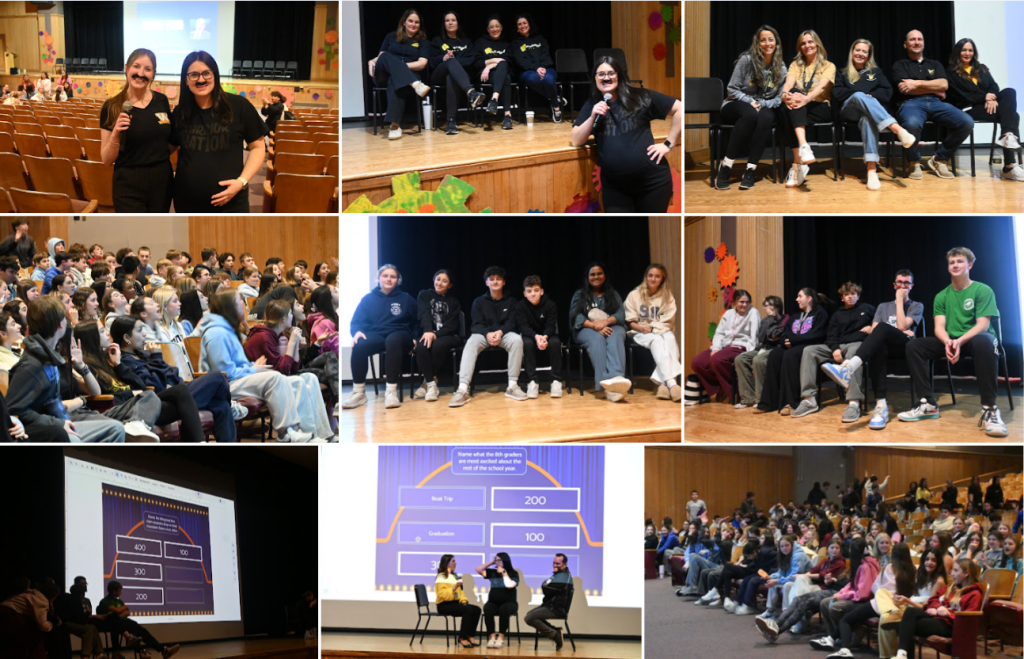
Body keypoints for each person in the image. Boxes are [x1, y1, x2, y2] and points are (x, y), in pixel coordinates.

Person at [896, 247, 1007, 436]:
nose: (955, 265)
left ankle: (990, 409)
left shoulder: (982, 290)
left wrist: (959, 341)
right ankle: (927, 404)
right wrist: (948, 342)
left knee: (985, 342)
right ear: (948, 267)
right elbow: (939, 327)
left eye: (960, 261)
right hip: (952, 340)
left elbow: (982, 324)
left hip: (975, 339)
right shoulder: (941, 295)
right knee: (914, 345)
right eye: (952, 262)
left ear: (969, 265)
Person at [197, 288, 315, 442]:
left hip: (237, 380)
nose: (243, 304)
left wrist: (252, 366)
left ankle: (310, 433)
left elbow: (237, 366)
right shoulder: (216, 333)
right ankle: (285, 433)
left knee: (297, 380)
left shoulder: (228, 330)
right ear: (229, 307)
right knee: (274, 377)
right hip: (223, 387)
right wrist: (253, 369)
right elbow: (223, 373)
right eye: (239, 300)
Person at [5, 296, 126, 442]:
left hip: (57, 422)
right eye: (64, 318)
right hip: (44, 430)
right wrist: (59, 423)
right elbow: (13, 410)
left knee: (115, 427)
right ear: (60, 325)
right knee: (109, 430)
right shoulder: (32, 365)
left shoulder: (47, 356)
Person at [571, 56, 680, 211]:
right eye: (601, 74)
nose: (606, 77)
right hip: (615, 189)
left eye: (611, 73)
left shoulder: (640, 97)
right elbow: (576, 140)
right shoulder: (591, 105)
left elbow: (680, 109)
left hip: (653, 184)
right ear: (595, 78)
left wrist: (668, 144)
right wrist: (592, 116)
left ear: (619, 75)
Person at [821, 270, 925, 430]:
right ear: (894, 284)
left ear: (911, 286)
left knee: (883, 329)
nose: (902, 286)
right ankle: (881, 406)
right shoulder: (883, 307)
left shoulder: (916, 305)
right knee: (878, 345)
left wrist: (899, 301)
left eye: (906, 283)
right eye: (899, 282)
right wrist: (897, 329)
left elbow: (903, 326)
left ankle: (849, 367)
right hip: (885, 346)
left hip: (906, 346)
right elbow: (876, 333)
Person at [112, 315, 239, 443]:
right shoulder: (126, 362)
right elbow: (156, 387)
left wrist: (161, 367)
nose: (145, 334)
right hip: (156, 404)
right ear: (126, 338)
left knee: (221, 405)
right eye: (139, 330)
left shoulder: (143, 355)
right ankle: (230, 405)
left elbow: (173, 373)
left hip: (177, 396)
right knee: (216, 377)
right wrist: (157, 358)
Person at [171, 51, 268, 212]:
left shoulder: (239, 106)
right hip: (187, 202)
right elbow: (167, 147)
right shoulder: (180, 112)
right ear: (186, 79)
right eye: (194, 74)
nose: (201, 79)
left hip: (231, 203)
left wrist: (241, 182)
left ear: (215, 75)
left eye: (206, 73)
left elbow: (258, 148)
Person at [831, 39, 917, 190]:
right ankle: (898, 130)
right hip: (849, 110)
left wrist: (871, 97)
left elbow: (887, 91)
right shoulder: (842, 73)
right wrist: (863, 95)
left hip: (868, 112)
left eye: (865, 51)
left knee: (867, 118)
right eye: (858, 50)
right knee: (858, 96)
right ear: (852, 52)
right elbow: (837, 93)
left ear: (869, 55)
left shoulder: (875, 72)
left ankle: (871, 170)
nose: (860, 54)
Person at [243, 299, 333, 439]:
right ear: (284, 318)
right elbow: (283, 371)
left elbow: (294, 367)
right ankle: (309, 435)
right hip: (259, 382)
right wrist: (292, 343)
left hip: (273, 378)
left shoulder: (279, 334)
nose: (292, 316)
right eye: (290, 313)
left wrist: (295, 345)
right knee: (299, 381)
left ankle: (324, 434)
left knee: (311, 377)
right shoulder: (263, 336)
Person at [891, 30, 974, 180]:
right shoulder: (900, 65)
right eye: (912, 40)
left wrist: (916, 83)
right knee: (911, 124)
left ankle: (939, 159)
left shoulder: (934, 64)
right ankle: (914, 161)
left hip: (936, 103)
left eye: (919, 39)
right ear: (905, 44)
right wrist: (933, 87)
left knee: (966, 122)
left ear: (923, 42)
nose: (917, 42)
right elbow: (905, 89)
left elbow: (944, 85)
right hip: (911, 103)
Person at [99, 48, 174, 212]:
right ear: (126, 68)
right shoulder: (111, 107)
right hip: (128, 184)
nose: (141, 73)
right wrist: (115, 135)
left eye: (148, 69)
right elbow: (106, 160)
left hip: (161, 181)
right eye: (136, 66)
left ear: (153, 75)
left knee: (157, 232)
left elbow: (169, 141)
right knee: (134, 233)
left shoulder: (161, 100)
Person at [715, 25, 787, 190]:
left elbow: (779, 98)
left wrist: (761, 104)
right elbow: (732, 89)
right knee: (750, 114)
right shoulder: (746, 60)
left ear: (776, 43)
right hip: (735, 104)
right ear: (757, 42)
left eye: (771, 39)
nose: (767, 43)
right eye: (763, 40)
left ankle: (750, 170)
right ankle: (726, 167)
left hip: (762, 106)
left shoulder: (781, 68)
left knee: (766, 117)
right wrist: (750, 102)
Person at [793, 282, 875, 419]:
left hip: (856, 345)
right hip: (839, 345)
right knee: (809, 350)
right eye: (846, 295)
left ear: (858, 296)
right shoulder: (837, 315)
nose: (850, 297)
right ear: (842, 298)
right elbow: (831, 336)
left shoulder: (867, 309)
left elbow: (881, 323)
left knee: (854, 349)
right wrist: (835, 348)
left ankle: (854, 402)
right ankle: (809, 400)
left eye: (853, 294)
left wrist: (872, 327)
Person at [944, 38, 1022, 182]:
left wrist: (991, 97)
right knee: (1014, 116)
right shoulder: (950, 72)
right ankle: (1009, 167)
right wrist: (985, 97)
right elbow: (963, 94)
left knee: (1010, 92)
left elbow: (993, 86)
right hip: (969, 108)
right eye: (964, 50)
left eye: (970, 50)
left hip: (987, 104)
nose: (967, 53)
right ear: (958, 52)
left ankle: (1007, 136)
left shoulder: (981, 68)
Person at [449, 266, 526, 407]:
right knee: (471, 342)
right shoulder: (479, 302)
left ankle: (512, 386)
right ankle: (462, 389)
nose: (495, 282)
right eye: (492, 279)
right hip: (484, 335)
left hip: (504, 334)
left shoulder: (512, 302)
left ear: (504, 282)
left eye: (498, 279)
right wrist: (488, 333)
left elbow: (512, 323)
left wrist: (500, 332)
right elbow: (476, 324)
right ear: (486, 282)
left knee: (517, 340)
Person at [342, 264, 415, 410]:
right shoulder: (368, 299)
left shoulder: (406, 299)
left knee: (393, 340)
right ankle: (359, 392)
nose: (389, 279)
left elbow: (419, 320)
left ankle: (391, 391)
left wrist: (415, 337)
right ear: (378, 278)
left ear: (398, 280)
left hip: (400, 334)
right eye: (385, 276)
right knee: (359, 345)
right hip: (378, 335)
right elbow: (357, 321)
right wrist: (357, 331)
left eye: (393, 276)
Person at [756, 538, 849, 642]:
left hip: (830, 590)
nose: (834, 550)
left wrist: (804, 575)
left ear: (840, 550)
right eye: (832, 547)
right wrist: (804, 575)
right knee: (797, 599)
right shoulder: (825, 561)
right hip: (821, 587)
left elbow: (823, 575)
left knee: (803, 601)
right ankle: (776, 626)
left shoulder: (840, 563)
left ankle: (777, 627)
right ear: (828, 549)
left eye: (837, 548)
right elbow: (813, 570)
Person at [891, 559, 983, 659]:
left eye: (956, 571)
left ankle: (903, 655)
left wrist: (947, 613)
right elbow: (933, 599)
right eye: (952, 570)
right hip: (937, 618)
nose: (952, 573)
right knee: (910, 612)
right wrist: (938, 607)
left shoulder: (974, 594)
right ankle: (902, 655)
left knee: (904, 624)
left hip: (949, 625)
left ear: (966, 573)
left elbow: (968, 620)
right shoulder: (951, 587)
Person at [779, 31, 836, 187]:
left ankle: (798, 162)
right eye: (803, 43)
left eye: (810, 42)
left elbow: (821, 86)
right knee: (788, 106)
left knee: (789, 111)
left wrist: (806, 99)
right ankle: (802, 153)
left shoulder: (828, 66)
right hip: (800, 107)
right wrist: (785, 95)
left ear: (817, 45)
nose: (807, 46)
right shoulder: (795, 65)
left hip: (820, 106)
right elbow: (789, 84)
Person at [758, 288, 828, 415]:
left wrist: (794, 340)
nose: (797, 299)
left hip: (809, 347)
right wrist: (786, 340)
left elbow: (818, 334)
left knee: (791, 354)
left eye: (800, 296)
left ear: (809, 298)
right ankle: (769, 402)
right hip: (794, 345)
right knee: (775, 354)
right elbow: (787, 331)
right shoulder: (796, 316)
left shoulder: (820, 314)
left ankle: (792, 402)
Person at [569, 262, 632, 401]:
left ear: (605, 276)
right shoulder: (580, 294)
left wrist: (606, 322)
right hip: (585, 329)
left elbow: (621, 315)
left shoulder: (613, 294)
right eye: (593, 274)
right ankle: (607, 386)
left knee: (615, 335)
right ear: (587, 277)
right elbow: (576, 317)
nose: (596, 277)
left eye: (599, 273)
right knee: (597, 339)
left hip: (610, 325)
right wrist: (595, 326)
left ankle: (617, 377)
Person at [368, 9, 433, 140]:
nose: (413, 24)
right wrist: (371, 61)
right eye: (410, 21)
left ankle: (395, 126)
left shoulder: (424, 42)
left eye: (416, 22)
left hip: (405, 76)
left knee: (396, 79)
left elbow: (422, 64)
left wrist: (399, 68)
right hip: (383, 75)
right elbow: (380, 57)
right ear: (404, 22)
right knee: (386, 56)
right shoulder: (391, 36)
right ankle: (416, 85)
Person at [808, 537, 881, 651]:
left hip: (863, 600)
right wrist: (840, 593)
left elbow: (863, 593)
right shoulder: (859, 563)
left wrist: (842, 596)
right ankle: (833, 636)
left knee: (835, 606)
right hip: (856, 596)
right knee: (824, 603)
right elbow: (852, 584)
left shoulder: (866, 566)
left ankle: (853, 636)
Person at [688, 289, 758, 405]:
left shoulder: (753, 312)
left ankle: (734, 392)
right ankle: (721, 385)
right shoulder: (728, 313)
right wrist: (716, 348)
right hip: (724, 346)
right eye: (741, 302)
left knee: (716, 360)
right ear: (735, 302)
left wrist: (748, 352)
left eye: (747, 302)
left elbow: (754, 335)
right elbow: (719, 333)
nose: (745, 305)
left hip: (741, 346)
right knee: (697, 362)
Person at [625, 263, 681, 401]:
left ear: (662, 279)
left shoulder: (667, 296)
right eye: (650, 275)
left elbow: (668, 321)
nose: (653, 279)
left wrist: (654, 328)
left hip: (661, 330)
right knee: (656, 340)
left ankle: (663, 384)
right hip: (640, 332)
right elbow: (630, 322)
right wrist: (642, 328)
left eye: (657, 276)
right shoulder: (634, 295)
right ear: (645, 277)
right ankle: (672, 383)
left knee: (670, 339)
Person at [429, 12, 486, 135]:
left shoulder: (466, 42)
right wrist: (443, 58)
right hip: (439, 75)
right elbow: (431, 61)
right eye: (447, 20)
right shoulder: (437, 41)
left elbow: (471, 60)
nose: (450, 23)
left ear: (458, 23)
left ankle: (450, 121)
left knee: (452, 77)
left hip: (458, 77)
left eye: (453, 20)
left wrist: (455, 61)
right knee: (449, 62)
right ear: (444, 24)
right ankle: (471, 92)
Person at [411, 269, 462, 402]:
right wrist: (428, 331)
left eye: (444, 281)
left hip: (448, 335)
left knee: (437, 344)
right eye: (438, 279)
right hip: (428, 332)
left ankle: (426, 383)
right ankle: (432, 384)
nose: (439, 283)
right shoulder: (424, 295)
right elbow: (424, 314)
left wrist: (435, 334)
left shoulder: (454, 302)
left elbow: (452, 326)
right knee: (421, 346)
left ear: (450, 285)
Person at [98, 581, 179, 658]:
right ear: (114, 591)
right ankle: (141, 651)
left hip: (126, 622)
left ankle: (163, 650)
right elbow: (117, 611)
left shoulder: (118, 601)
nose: (121, 593)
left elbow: (127, 613)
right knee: (129, 632)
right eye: (119, 591)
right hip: (114, 625)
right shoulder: (105, 602)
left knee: (142, 631)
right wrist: (124, 607)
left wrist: (119, 612)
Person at [512, 14, 566, 123]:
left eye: (524, 23)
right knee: (533, 79)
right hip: (527, 71)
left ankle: (555, 106)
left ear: (529, 25)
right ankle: (555, 102)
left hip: (545, 68)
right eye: (519, 24)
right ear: (517, 28)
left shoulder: (540, 39)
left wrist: (542, 67)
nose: (522, 26)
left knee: (549, 79)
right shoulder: (515, 43)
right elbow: (520, 60)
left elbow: (546, 54)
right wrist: (536, 68)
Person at [516, 275, 563, 398]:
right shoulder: (521, 306)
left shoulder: (550, 304)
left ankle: (556, 381)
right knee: (526, 343)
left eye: (536, 290)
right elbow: (523, 327)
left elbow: (551, 325)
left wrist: (544, 337)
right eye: (529, 291)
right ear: (524, 293)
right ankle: (532, 382)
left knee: (555, 343)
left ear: (541, 291)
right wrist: (536, 337)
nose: (533, 294)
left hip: (548, 335)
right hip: (530, 335)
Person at [735, 295, 786, 409]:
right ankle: (748, 398)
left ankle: (762, 399)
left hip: (776, 349)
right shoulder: (765, 321)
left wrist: (772, 319)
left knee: (758, 360)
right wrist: (768, 321)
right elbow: (762, 338)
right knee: (740, 359)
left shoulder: (785, 320)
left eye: (767, 305)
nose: (765, 308)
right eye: (765, 305)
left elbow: (774, 337)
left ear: (776, 307)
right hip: (764, 348)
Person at [474, 15, 515, 130]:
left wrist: (489, 66)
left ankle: (495, 101)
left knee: (506, 76)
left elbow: (507, 62)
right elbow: (477, 63)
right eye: (491, 27)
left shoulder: (507, 43)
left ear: (501, 28)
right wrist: (492, 63)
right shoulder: (481, 42)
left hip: (501, 74)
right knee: (504, 72)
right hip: (485, 76)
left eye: (497, 26)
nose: (495, 29)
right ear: (488, 29)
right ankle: (507, 115)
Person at [524, 554, 573, 650]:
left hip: (556, 609)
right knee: (530, 615)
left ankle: (555, 635)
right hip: (550, 606)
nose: (555, 565)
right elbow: (545, 584)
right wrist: (545, 584)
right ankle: (556, 632)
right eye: (554, 563)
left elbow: (546, 589)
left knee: (529, 618)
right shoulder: (560, 575)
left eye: (558, 563)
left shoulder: (563, 577)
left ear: (565, 564)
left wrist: (545, 584)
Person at [0, 580, 59, 657]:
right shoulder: (42, 601)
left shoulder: (32, 593)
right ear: (53, 595)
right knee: (36, 635)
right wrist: (52, 624)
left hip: (3, 611)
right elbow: (42, 625)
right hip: (9, 616)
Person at [434, 555, 481, 648]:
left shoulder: (455, 576)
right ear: (446, 563)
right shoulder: (441, 577)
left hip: (455, 604)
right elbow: (442, 595)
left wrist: (463, 601)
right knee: (467, 610)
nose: (455, 563)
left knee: (477, 609)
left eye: (455, 561)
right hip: (444, 605)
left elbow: (461, 593)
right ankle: (462, 638)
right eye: (453, 561)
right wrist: (454, 587)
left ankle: (469, 635)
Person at [477, 553, 520, 648]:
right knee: (487, 608)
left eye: (499, 560)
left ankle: (500, 638)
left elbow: (509, 585)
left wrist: (504, 572)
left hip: (510, 603)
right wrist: (491, 562)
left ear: (505, 561)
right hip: (494, 603)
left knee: (504, 609)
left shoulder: (513, 573)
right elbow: (478, 569)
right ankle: (492, 637)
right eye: (496, 560)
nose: (497, 562)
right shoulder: (493, 572)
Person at [55, 583, 106, 659]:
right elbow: (81, 620)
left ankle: (99, 654)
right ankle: (85, 656)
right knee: (88, 629)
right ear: (81, 594)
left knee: (93, 627)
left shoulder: (66, 597)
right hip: (66, 624)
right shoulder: (76, 601)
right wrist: (88, 613)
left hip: (67, 623)